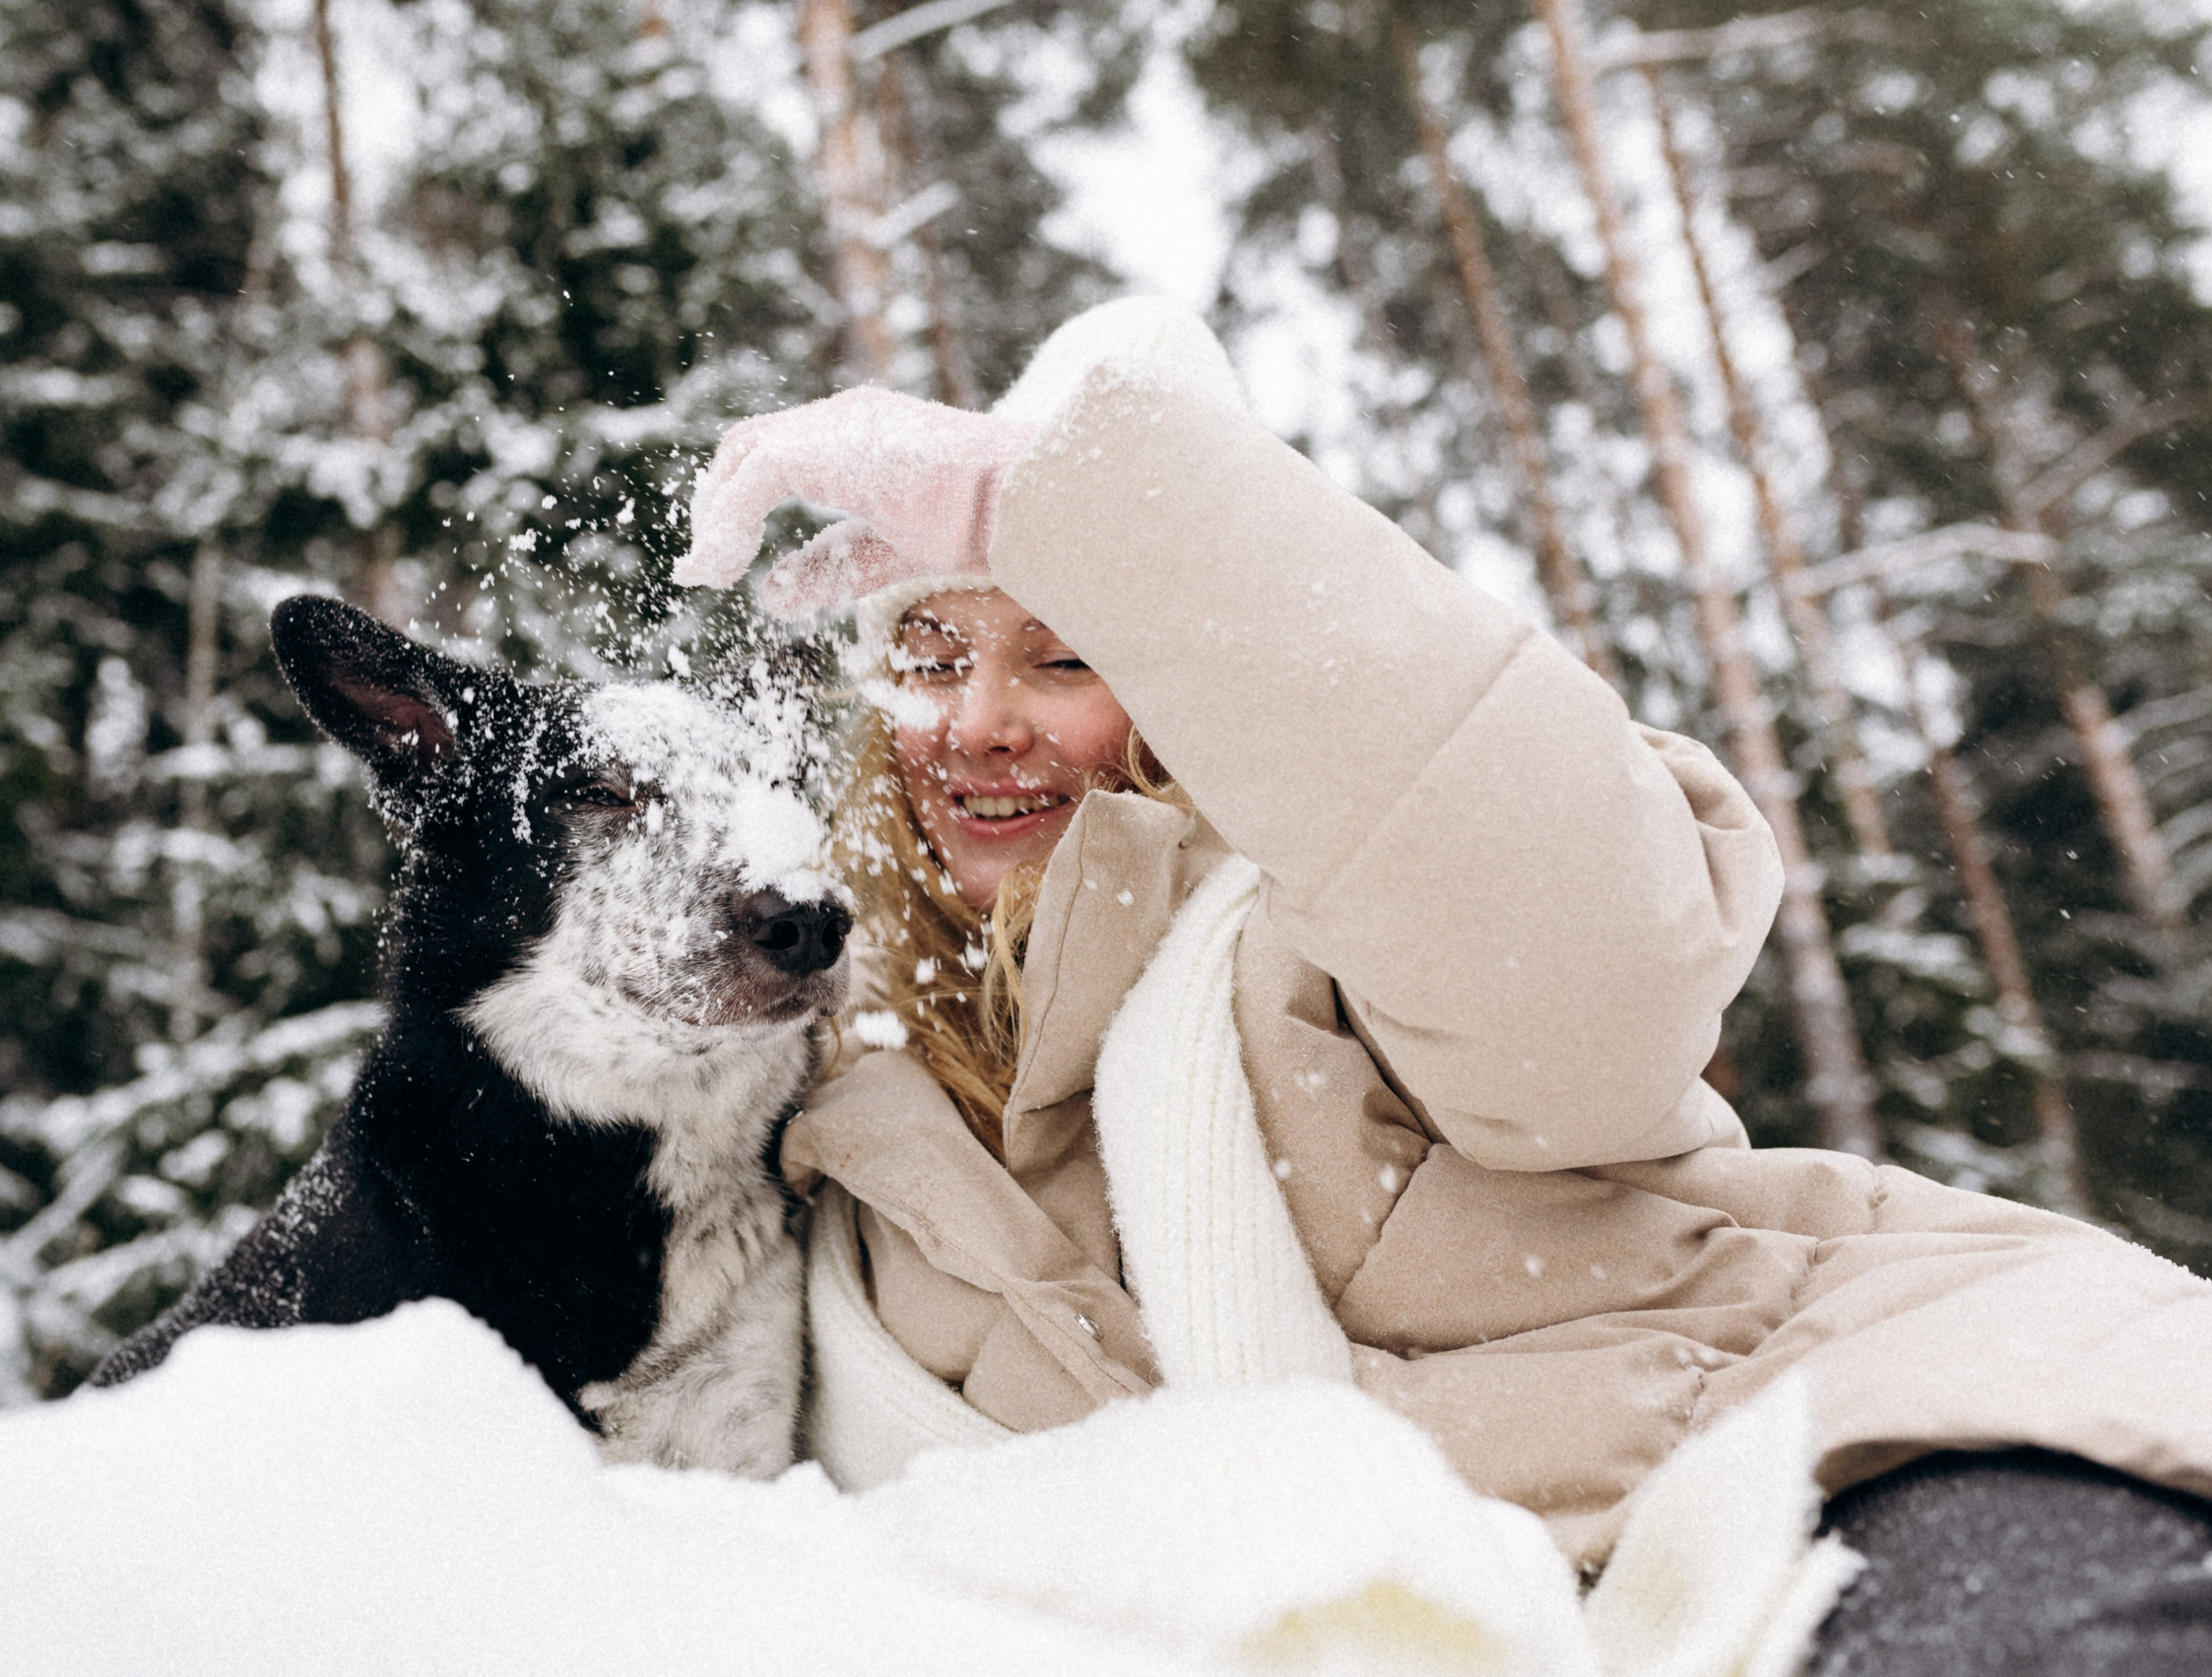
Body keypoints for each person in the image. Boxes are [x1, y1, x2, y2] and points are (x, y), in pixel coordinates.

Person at [674, 299, 2212, 1673]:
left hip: (1807, 1460)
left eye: (1065, 660)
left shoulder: (1337, 897)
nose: (978, 721)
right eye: (933, 659)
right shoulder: (817, 1080)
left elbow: (1591, 992)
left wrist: (1081, 516)